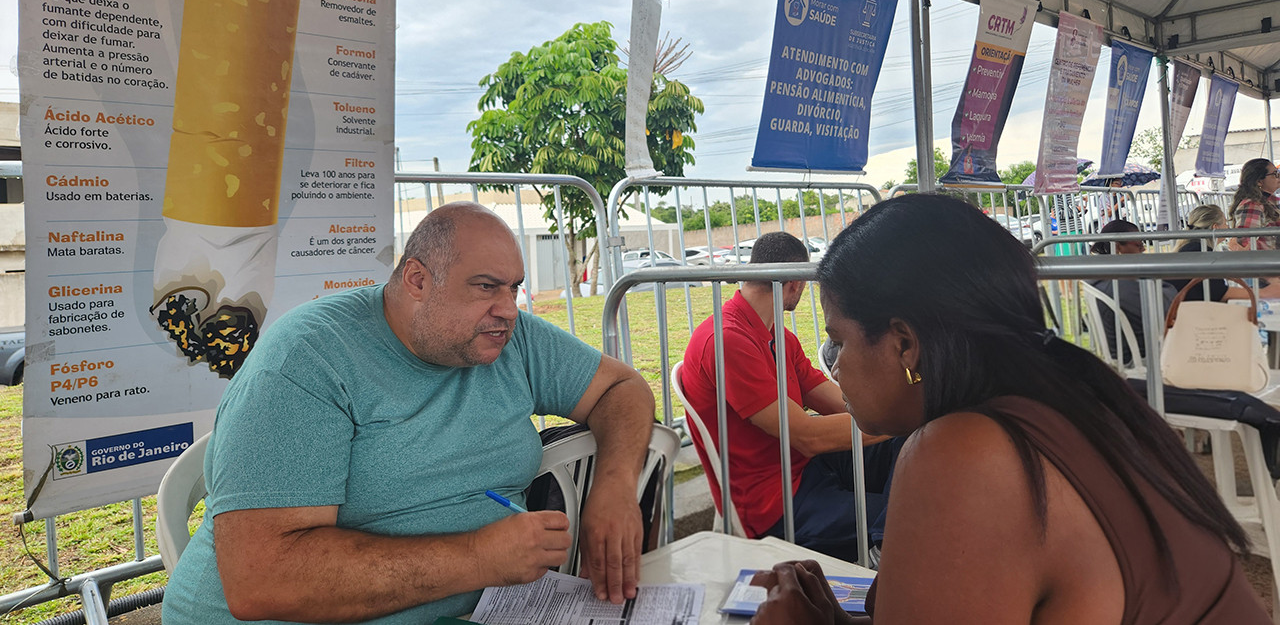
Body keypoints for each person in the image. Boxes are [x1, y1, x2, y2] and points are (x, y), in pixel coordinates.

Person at [750, 193, 1268, 625]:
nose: (835, 367)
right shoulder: (1075, 392)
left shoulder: (963, 455)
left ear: (905, 343)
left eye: (838, 340)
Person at [162, 202, 656, 625]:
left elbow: (621, 387)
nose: (509, 308)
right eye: (486, 287)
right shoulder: (309, 358)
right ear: (417, 279)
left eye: (514, 287)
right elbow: (260, 579)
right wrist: (478, 557)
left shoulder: (509, 338)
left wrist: (614, 489)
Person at [680, 231, 899, 563]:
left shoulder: (775, 335)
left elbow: (839, 401)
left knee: (906, 448)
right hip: (774, 504)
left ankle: (885, 536)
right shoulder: (727, 339)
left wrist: (898, 417)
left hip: (804, 471)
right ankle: (890, 547)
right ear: (795, 283)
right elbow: (807, 436)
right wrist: (898, 421)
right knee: (911, 513)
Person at [1085, 219, 1177, 364]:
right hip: (1144, 357)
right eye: (1139, 245)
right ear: (1117, 247)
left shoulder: (1099, 277)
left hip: (1123, 355)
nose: (1144, 249)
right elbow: (1169, 308)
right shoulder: (1120, 283)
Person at [1230, 157, 1280, 252]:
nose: (1278, 176)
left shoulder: (1272, 201)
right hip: (1266, 261)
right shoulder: (1252, 205)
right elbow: (1245, 242)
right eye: (1274, 174)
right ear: (1259, 181)